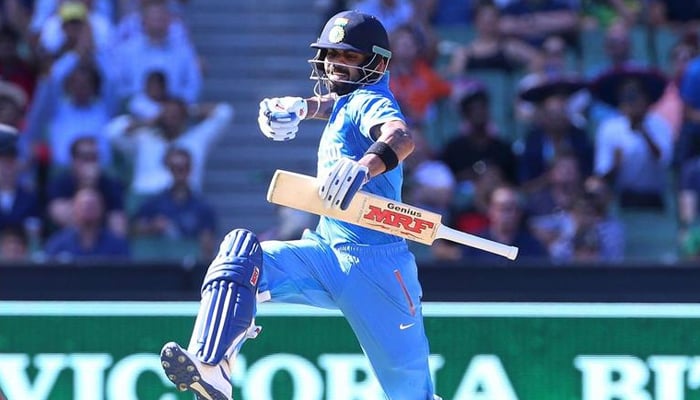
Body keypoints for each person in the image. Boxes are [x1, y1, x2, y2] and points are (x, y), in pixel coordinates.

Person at [159, 10, 442, 400]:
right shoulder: (351, 100)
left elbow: (400, 137)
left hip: (378, 268)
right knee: (241, 254)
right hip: (324, 253)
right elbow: (337, 105)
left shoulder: (373, 100)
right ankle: (213, 367)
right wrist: (303, 106)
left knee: (411, 394)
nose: (336, 65)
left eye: (349, 58)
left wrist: (364, 168)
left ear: (377, 63)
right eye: (331, 55)